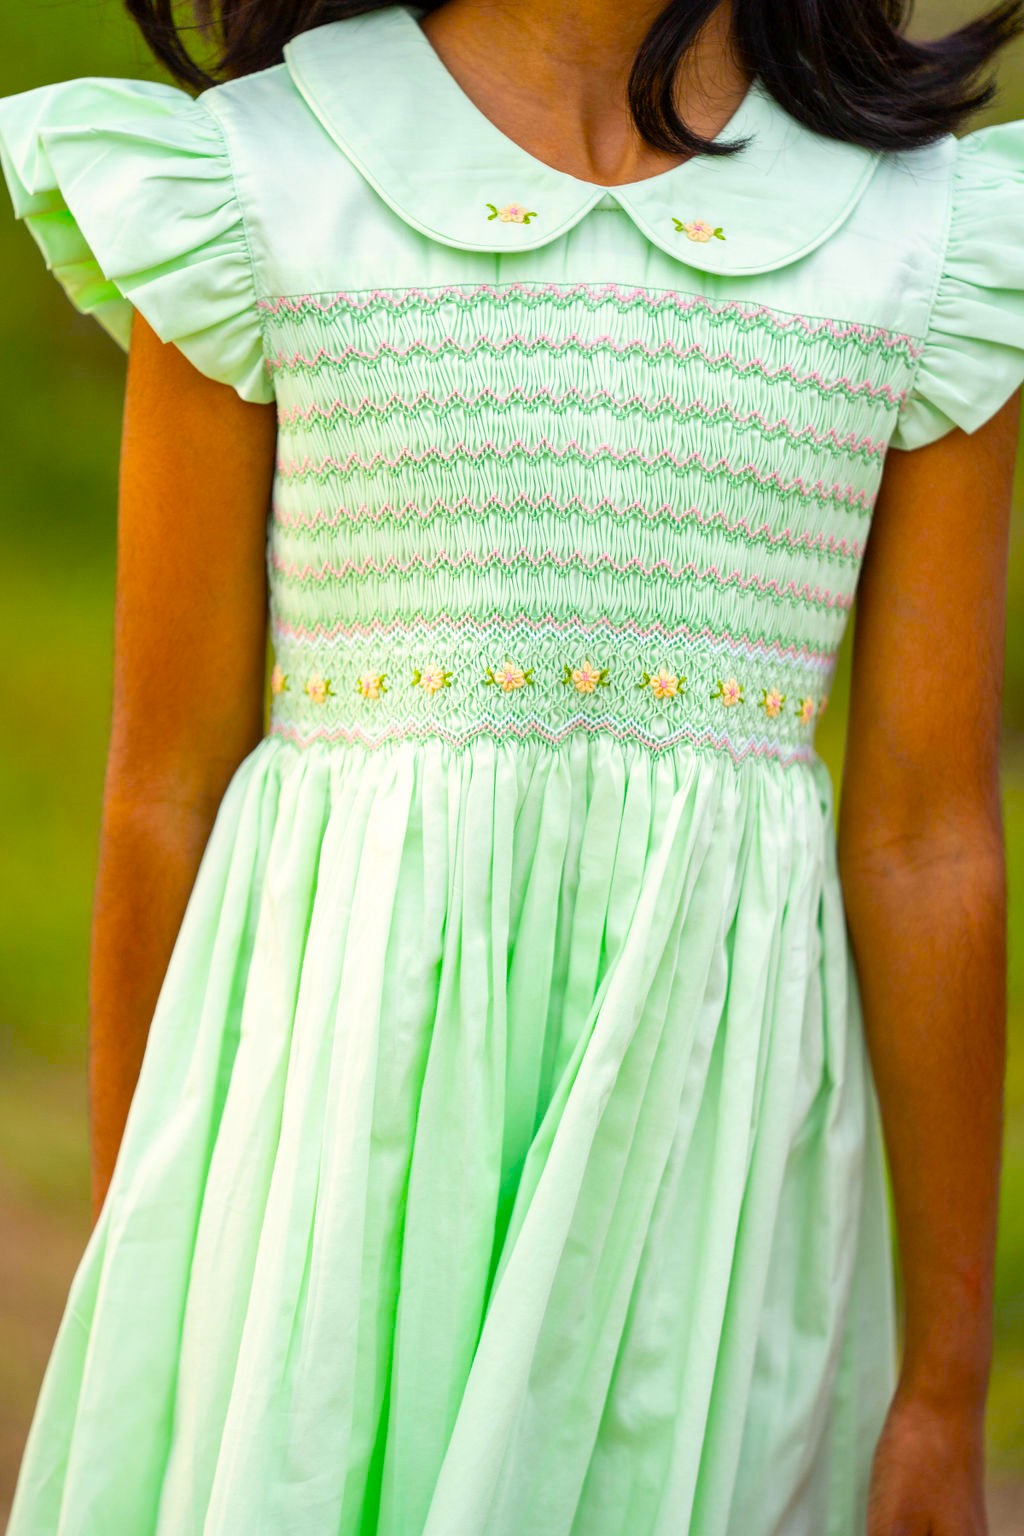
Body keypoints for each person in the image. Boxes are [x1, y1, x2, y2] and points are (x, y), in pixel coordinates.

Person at [0, 0, 1020, 1531]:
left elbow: (927, 839)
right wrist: (149, 1277)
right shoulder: (270, 185)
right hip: (327, 1183)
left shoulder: (919, 245)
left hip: (706, 1184)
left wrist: (943, 1392)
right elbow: (165, 791)